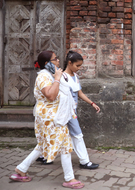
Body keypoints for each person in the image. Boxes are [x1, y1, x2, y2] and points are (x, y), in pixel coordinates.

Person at [10, 51, 84, 189]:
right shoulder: (44, 76)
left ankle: (21, 169)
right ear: (47, 63)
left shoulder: (48, 75)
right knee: (65, 145)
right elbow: (50, 95)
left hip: (51, 116)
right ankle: (69, 179)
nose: (58, 61)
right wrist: (57, 78)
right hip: (51, 117)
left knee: (43, 145)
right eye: (55, 59)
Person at [64, 50, 100, 169]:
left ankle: (44, 155)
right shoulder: (62, 78)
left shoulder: (75, 77)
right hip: (65, 112)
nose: (79, 68)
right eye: (77, 65)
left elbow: (80, 93)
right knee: (77, 135)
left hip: (72, 111)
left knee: (68, 135)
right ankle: (85, 161)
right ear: (69, 63)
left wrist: (92, 103)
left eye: (80, 65)